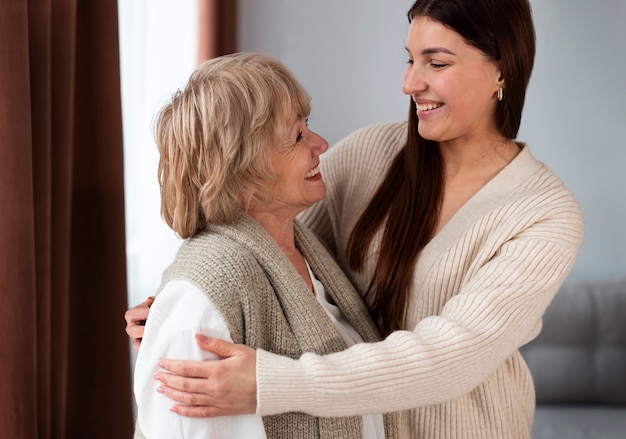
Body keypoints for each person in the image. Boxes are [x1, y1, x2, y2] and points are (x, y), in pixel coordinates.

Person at [126, 0, 585, 437]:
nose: (410, 84)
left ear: (502, 68)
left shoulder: (543, 213)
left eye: (437, 63)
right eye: (409, 60)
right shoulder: (371, 155)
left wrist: (272, 383)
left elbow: (451, 357)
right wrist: (182, 313)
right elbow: (272, 250)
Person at [131, 52, 398, 439]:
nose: (321, 144)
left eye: (309, 125)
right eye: (297, 136)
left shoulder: (309, 256)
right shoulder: (201, 299)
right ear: (239, 165)